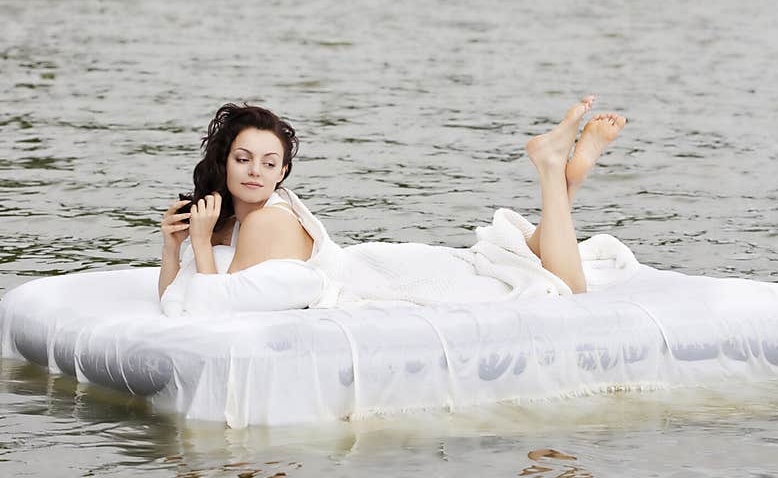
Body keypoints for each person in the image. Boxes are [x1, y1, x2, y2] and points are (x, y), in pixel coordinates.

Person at [158, 99, 630, 317]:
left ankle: (553, 170)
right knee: (528, 262)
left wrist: (198, 244)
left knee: (564, 288)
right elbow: (174, 294)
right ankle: (566, 178)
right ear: (224, 161)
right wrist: (171, 246)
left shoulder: (264, 221)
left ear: (282, 173)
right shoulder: (233, 216)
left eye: (269, 162)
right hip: (378, 262)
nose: (254, 172)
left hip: (379, 281)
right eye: (243, 159)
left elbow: (213, 308)